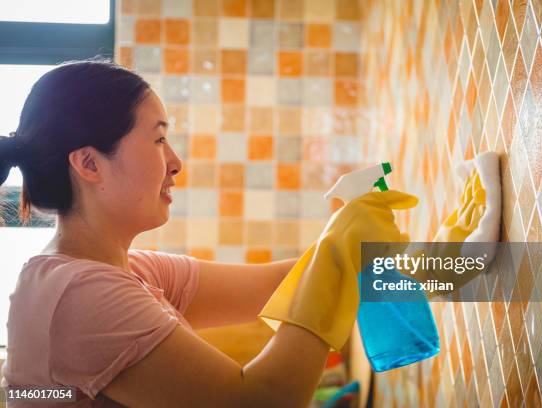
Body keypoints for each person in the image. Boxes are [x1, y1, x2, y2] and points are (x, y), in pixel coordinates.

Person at [0, 60, 407, 407]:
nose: (175, 162)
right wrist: (339, 246)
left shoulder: (123, 273)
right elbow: (262, 401)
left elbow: (285, 283)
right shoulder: (80, 296)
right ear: (89, 164)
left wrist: (465, 264)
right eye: (159, 139)